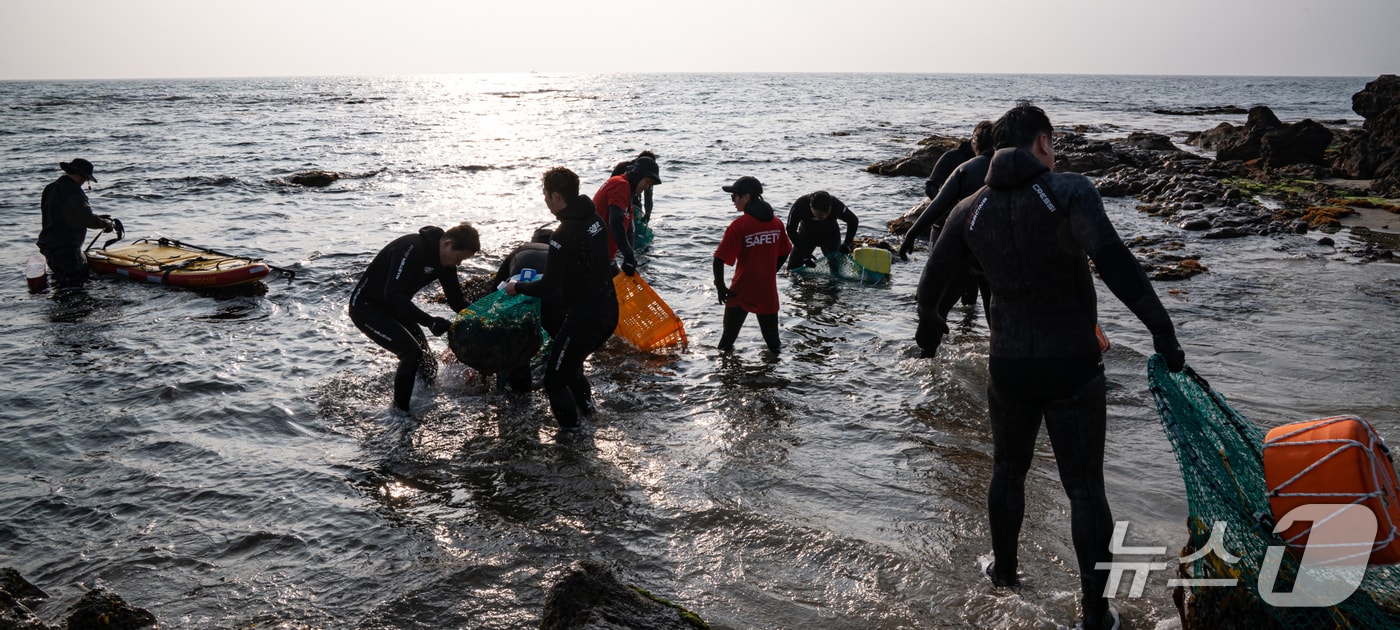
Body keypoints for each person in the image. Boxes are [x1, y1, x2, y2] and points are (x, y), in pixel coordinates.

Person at [915, 104, 1185, 630]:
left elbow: (930, 287)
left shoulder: (969, 207)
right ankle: (1095, 613)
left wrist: (933, 324)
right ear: (1043, 142)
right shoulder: (1068, 192)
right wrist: (1163, 332)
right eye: (1053, 144)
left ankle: (1005, 576)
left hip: (1009, 364)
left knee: (1008, 472)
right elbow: (1116, 265)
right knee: (1084, 488)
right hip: (1072, 364)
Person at [507, 167, 618, 429]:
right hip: (609, 311)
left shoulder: (563, 235)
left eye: (546, 195)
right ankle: (590, 415)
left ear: (556, 196)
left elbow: (547, 286)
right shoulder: (594, 220)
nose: (545, 200)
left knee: (553, 380)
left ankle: (573, 439)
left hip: (585, 318)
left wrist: (517, 287)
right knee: (570, 366)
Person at [349, 222, 480, 413]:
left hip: (397, 308)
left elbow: (457, 301)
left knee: (427, 362)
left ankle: (426, 401)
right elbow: (392, 295)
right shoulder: (412, 248)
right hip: (366, 308)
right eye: (458, 258)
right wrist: (430, 321)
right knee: (410, 353)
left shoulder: (446, 263)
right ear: (447, 244)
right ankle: (399, 413)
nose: (458, 264)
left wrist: (483, 316)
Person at [900, 121, 995, 320]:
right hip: (992, 247)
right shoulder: (1007, 167)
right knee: (991, 305)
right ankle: (988, 345)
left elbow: (937, 206)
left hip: (960, 240)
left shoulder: (966, 168)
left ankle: (932, 344)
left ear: (974, 142)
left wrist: (911, 234)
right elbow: (932, 187)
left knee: (937, 301)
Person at [713, 176, 792, 354]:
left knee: (726, 344)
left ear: (746, 197)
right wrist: (770, 272)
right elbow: (786, 250)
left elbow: (718, 259)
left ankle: (725, 378)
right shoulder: (776, 223)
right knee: (773, 344)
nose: (732, 201)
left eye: (734, 196)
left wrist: (721, 287)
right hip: (767, 291)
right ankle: (775, 377)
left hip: (741, 290)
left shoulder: (739, 226)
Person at [491, 227, 560, 392]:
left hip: (518, 299)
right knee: (560, 342)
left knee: (519, 353)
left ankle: (520, 398)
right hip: (551, 297)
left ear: (532, 240)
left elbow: (495, 290)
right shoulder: (558, 252)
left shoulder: (520, 250)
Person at [37, 158, 115, 291]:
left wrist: (97, 218)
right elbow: (86, 219)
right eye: (86, 179)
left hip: (49, 245)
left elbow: (63, 215)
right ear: (82, 176)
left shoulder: (50, 188)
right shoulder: (74, 191)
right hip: (66, 249)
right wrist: (106, 224)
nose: (85, 182)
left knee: (62, 285)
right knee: (75, 287)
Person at [593, 155, 661, 276]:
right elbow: (615, 222)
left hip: (607, 258)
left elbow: (629, 229)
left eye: (650, 184)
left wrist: (629, 257)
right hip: (595, 256)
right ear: (639, 174)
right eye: (647, 181)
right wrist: (628, 255)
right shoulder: (620, 184)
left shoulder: (628, 192)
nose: (647, 187)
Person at [784, 190, 859, 270]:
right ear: (811, 206)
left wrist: (847, 242)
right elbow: (790, 229)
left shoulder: (836, 204)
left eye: (827, 213)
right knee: (792, 268)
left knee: (836, 268)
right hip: (806, 235)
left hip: (830, 236)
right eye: (820, 215)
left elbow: (853, 220)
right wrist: (803, 251)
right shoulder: (800, 205)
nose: (824, 217)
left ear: (830, 207)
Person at [610, 150, 659, 224]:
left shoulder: (649, 175)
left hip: (635, 200)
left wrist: (647, 214)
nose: (647, 186)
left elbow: (648, 196)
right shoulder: (623, 168)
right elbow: (611, 187)